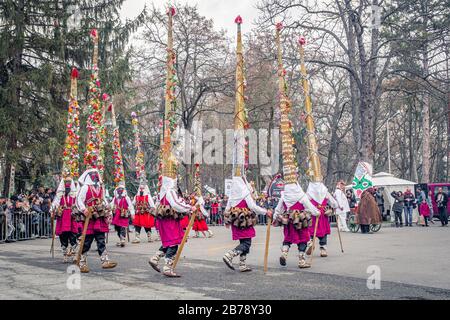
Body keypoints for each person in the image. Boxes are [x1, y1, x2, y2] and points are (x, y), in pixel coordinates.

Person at [222, 176, 272, 272]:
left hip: (236, 221)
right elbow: (252, 206)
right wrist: (265, 212)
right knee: (247, 243)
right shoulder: (245, 193)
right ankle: (230, 255)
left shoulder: (232, 195)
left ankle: (242, 264)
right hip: (244, 220)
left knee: (243, 242)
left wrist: (227, 221)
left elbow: (227, 209)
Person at [148, 176, 195, 277]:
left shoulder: (162, 192)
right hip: (170, 221)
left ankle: (155, 258)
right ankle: (168, 267)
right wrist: (190, 208)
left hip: (164, 221)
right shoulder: (170, 191)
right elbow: (176, 204)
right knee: (173, 244)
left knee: (168, 243)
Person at [76, 169, 117, 273]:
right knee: (87, 241)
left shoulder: (100, 187)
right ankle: (82, 263)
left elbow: (103, 199)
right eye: (93, 175)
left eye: (96, 174)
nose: (95, 176)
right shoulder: (85, 187)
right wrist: (83, 209)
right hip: (89, 217)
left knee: (101, 239)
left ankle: (105, 261)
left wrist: (108, 209)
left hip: (99, 216)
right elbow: (79, 200)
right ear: (89, 176)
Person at [273, 182, 319, 268]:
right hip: (300, 221)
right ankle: (301, 261)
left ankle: (284, 253)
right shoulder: (301, 196)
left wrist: (274, 217)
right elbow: (310, 207)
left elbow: (278, 208)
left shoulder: (284, 196)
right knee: (303, 240)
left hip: (289, 221)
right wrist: (317, 213)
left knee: (287, 239)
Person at [306, 182, 338, 257]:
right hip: (320, 214)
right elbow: (334, 204)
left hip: (314, 215)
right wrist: (332, 208)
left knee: (311, 231)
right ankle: (321, 248)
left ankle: (311, 243)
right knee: (322, 232)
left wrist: (330, 210)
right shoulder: (325, 192)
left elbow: (305, 204)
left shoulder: (309, 193)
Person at [50, 179, 79, 262]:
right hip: (62, 218)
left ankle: (73, 253)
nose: (68, 184)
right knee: (63, 236)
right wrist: (52, 210)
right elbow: (54, 204)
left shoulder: (74, 195)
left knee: (73, 236)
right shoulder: (59, 195)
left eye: (69, 182)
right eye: (66, 182)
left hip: (72, 218)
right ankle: (65, 254)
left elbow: (78, 203)